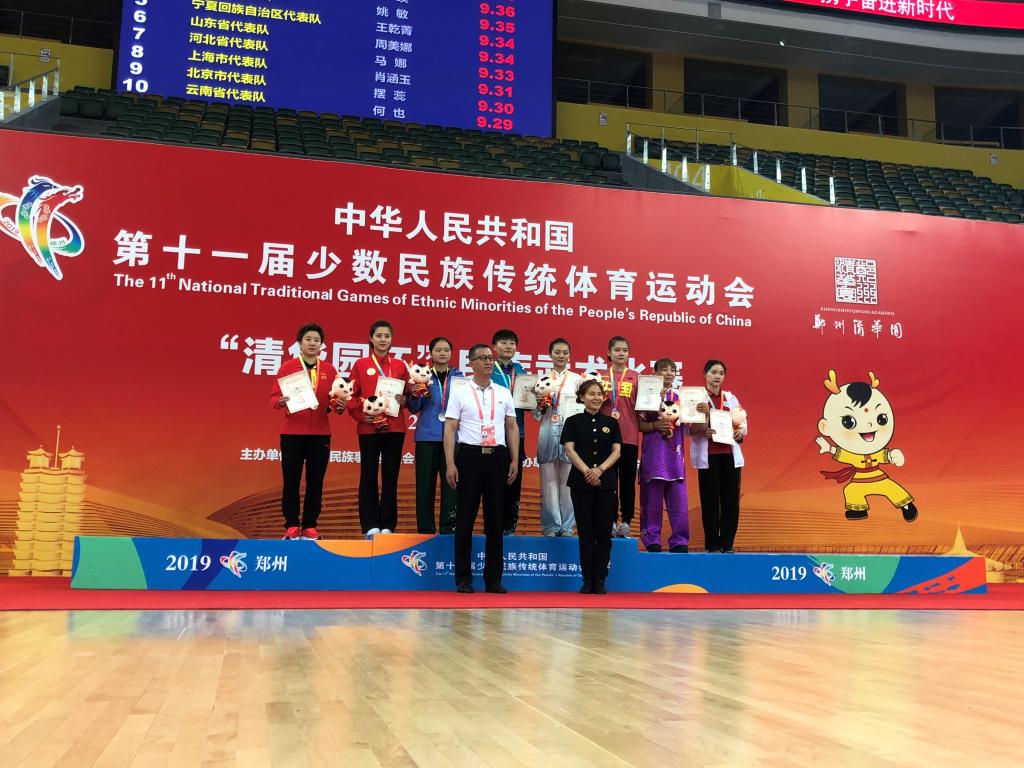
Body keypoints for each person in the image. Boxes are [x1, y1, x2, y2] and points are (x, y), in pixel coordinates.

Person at [444, 344, 519, 594]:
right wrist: (450, 463)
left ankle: (493, 580)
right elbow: (450, 428)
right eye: (483, 358)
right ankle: (463, 579)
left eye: (490, 358)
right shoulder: (460, 391)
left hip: (498, 457)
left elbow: (511, 427)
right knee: (465, 519)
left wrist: (514, 459)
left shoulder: (503, 391)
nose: (488, 362)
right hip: (470, 456)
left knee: (495, 521)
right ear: (471, 363)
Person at [269, 323, 338, 540]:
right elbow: (273, 399)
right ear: (299, 343)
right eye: (308, 339)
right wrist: (280, 401)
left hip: (320, 433)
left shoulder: (330, 370)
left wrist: (339, 404)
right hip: (292, 433)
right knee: (291, 480)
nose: (312, 343)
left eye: (317, 340)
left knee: (315, 481)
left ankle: (310, 525)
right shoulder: (288, 368)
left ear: (322, 345)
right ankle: (291, 524)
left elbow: (335, 401)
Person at [345, 320, 409, 538]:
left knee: (391, 477)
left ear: (392, 340)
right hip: (369, 428)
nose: (383, 340)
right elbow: (350, 395)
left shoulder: (400, 365)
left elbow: (407, 394)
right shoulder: (361, 364)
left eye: (387, 336)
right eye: (379, 336)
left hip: (394, 428)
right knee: (368, 476)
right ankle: (370, 524)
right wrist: (362, 416)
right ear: (371, 339)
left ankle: (388, 524)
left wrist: (404, 399)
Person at [561, 379, 622, 594]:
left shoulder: (612, 422)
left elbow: (617, 451)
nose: (596, 398)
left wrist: (599, 470)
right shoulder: (573, 421)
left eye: (599, 394)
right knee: (586, 533)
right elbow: (569, 449)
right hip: (581, 483)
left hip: (606, 482)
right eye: (591, 394)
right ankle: (587, 580)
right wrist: (587, 471)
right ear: (582, 397)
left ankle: (600, 579)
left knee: (604, 533)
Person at [407, 336, 464, 534]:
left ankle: (449, 527)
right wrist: (414, 394)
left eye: (446, 350)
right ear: (430, 353)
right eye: (438, 350)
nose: (442, 353)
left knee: (452, 484)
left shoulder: (459, 378)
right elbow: (413, 408)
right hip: (426, 437)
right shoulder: (421, 375)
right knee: (425, 485)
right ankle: (425, 529)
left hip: (454, 437)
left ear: (451, 353)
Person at [690, 359, 747, 553]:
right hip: (709, 456)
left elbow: (742, 421)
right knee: (710, 501)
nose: (717, 376)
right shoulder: (697, 398)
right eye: (713, 372)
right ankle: (713, 545)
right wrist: (702, 428)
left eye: (721, 373)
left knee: (731, 501)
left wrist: (741, 432)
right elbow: (689, 427)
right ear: (705, 374)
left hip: (730, 455)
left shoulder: (730, 398)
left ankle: (728, 543)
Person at [637, 359, 689, 553]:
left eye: (672, 370)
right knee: (651, 501)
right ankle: (652, 539)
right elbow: (639, 425)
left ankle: (679, 541)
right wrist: (654, 425)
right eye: (664, 370)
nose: (668, 373)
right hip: (653, 455)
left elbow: (692, 426)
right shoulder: (646, 395)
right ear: (654, 372)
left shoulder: (681, 397)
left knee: (679, 502)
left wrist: (701, 413)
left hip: (675, 456)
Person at [534, 338, 581, 537]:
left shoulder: (578, 380)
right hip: (547, 431)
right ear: (550, 355)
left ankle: (568, 526)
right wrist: (539, 406)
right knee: (548, 482)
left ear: (569, 355)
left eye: (565, 352)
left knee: (569, 482)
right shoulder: (542, 379)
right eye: (557, 352)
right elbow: (536, 415)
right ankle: (551, 525)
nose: (561, 356)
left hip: (571, 435)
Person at [600, 335, 639, 538]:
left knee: (627, 482)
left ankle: (626, 521)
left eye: (624, 350)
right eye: (617, 350)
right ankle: (610, 521)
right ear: (609, 352)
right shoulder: (599, 377)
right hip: (604, 438)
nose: (621, 353)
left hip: (629, 436)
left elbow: (643, 406)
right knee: (608, 482)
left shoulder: (636, 377)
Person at [490, 329, 527, 535]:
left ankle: (509, 527)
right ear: (494, 347)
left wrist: (535, 398)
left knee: (514, 481)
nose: (508, 346)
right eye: (503, 342)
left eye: (511, 343)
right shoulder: (489, 370)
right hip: (492, 434)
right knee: (492, 482)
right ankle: (492, 527)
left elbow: (529, 404)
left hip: (516, 433)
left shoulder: (521, 372)